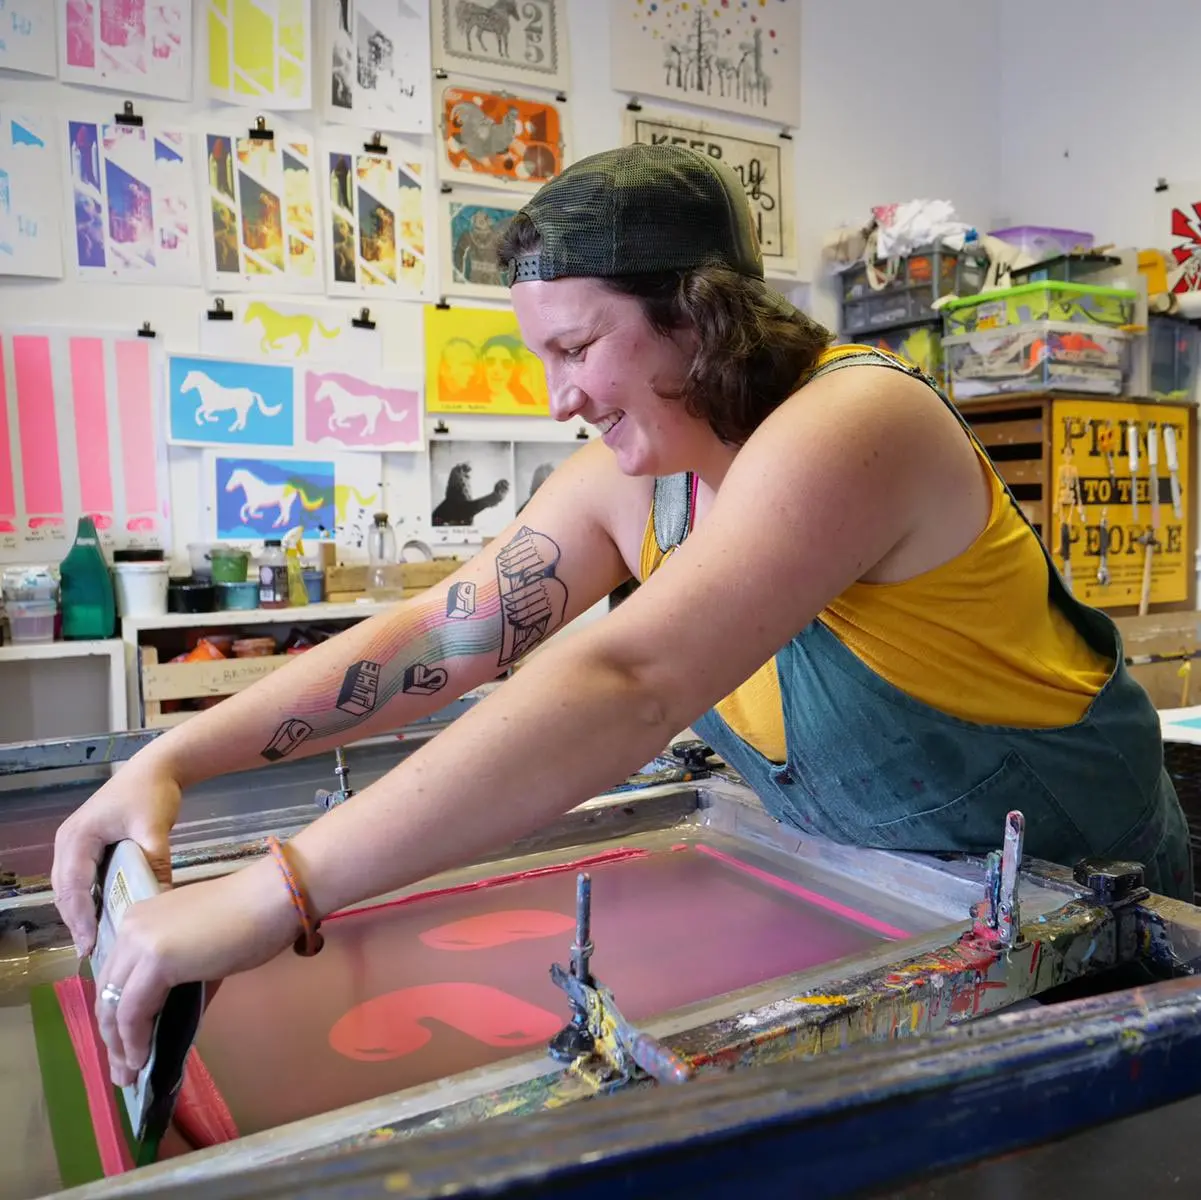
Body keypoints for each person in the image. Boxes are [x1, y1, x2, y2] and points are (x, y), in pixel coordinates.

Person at [52, 143, 1191, 1089]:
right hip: (906, 921)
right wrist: (173, 760)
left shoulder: (854, 424)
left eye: (578, 347)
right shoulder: (639, 478)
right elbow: (449, 636)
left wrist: (268, 897)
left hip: (1098, 933)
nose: (560, 399)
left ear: (704, 316)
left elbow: (627, 682)